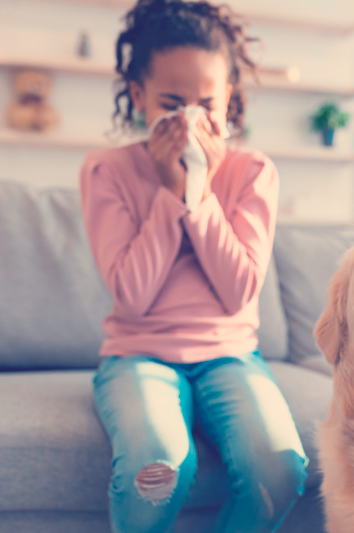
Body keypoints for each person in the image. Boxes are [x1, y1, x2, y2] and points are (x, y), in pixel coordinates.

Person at [79, 1, 307, 531]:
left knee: (279, 467)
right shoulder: (106, 171)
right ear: (139, 97)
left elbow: (239, 291)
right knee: (156, 466)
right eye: (172, 102)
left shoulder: (253, 172)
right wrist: (168, 193)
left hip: (230, 355)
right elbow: (131, 295)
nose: (191, 119)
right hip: (139, 355)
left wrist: (198, 196)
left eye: (207, 103)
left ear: (230, 100)